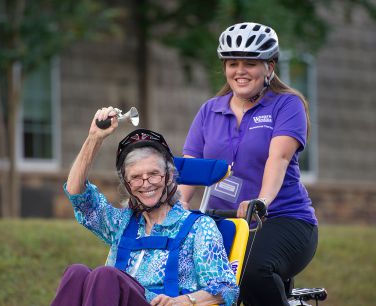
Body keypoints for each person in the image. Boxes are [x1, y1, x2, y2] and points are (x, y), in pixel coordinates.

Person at [179, 22, 318, 306]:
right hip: (220, 219)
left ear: (270, 67)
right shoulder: (210, 110)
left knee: (250, 272)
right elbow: (192, 166)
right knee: (184, 275)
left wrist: (261, 201)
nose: (240, 71)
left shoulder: (287, 105)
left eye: (250, 63)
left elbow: (278, 158)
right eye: (233, 63)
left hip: (283, 219)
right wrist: (178, 205)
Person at [51, 106, 239, 306]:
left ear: (168, 176)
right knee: (77, 273)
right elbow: (77, 194)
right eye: (136, 177)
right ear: (127, 184)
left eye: (153, 174)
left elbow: (226, 288)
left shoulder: (199, 228)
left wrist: (182, 301)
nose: (146, 183)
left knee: (106, 276)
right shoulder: (120, 223)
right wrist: (94, 138)